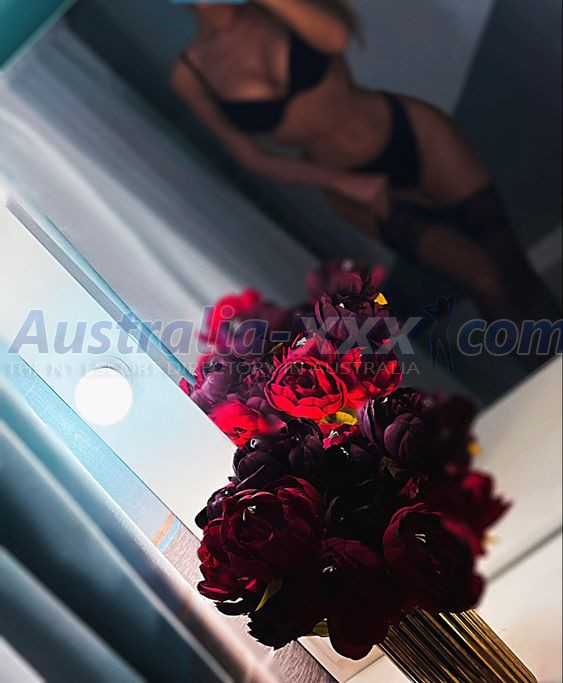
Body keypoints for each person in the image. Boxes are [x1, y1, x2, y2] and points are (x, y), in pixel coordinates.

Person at [170, 0, 559, 325]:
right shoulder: (190, 73)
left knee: (512, 265)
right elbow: (252, 157)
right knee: (484, 279)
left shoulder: (280, 8)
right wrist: (340, 182)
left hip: (412, 132)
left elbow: (335, 36)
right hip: (349, 185)